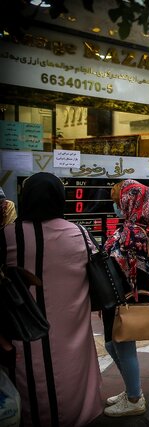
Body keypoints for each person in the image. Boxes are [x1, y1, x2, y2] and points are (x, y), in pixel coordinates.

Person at [1, 172, 102, 426]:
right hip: (72, 330)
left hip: (21, 333)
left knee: (26, 381)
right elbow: (99, 272)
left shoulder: (7, 236)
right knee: (71, 377)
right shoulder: (79, 234)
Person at [102, 179, 149, 417]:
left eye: (119, 202)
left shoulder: (132, 232)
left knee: (121, 344)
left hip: (124, 296)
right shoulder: (143, 227)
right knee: (115, 343)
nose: (116, 207)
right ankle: (131, 387)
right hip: (127, 294)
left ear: (129, 203)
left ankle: (135, 397)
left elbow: (121, 264)